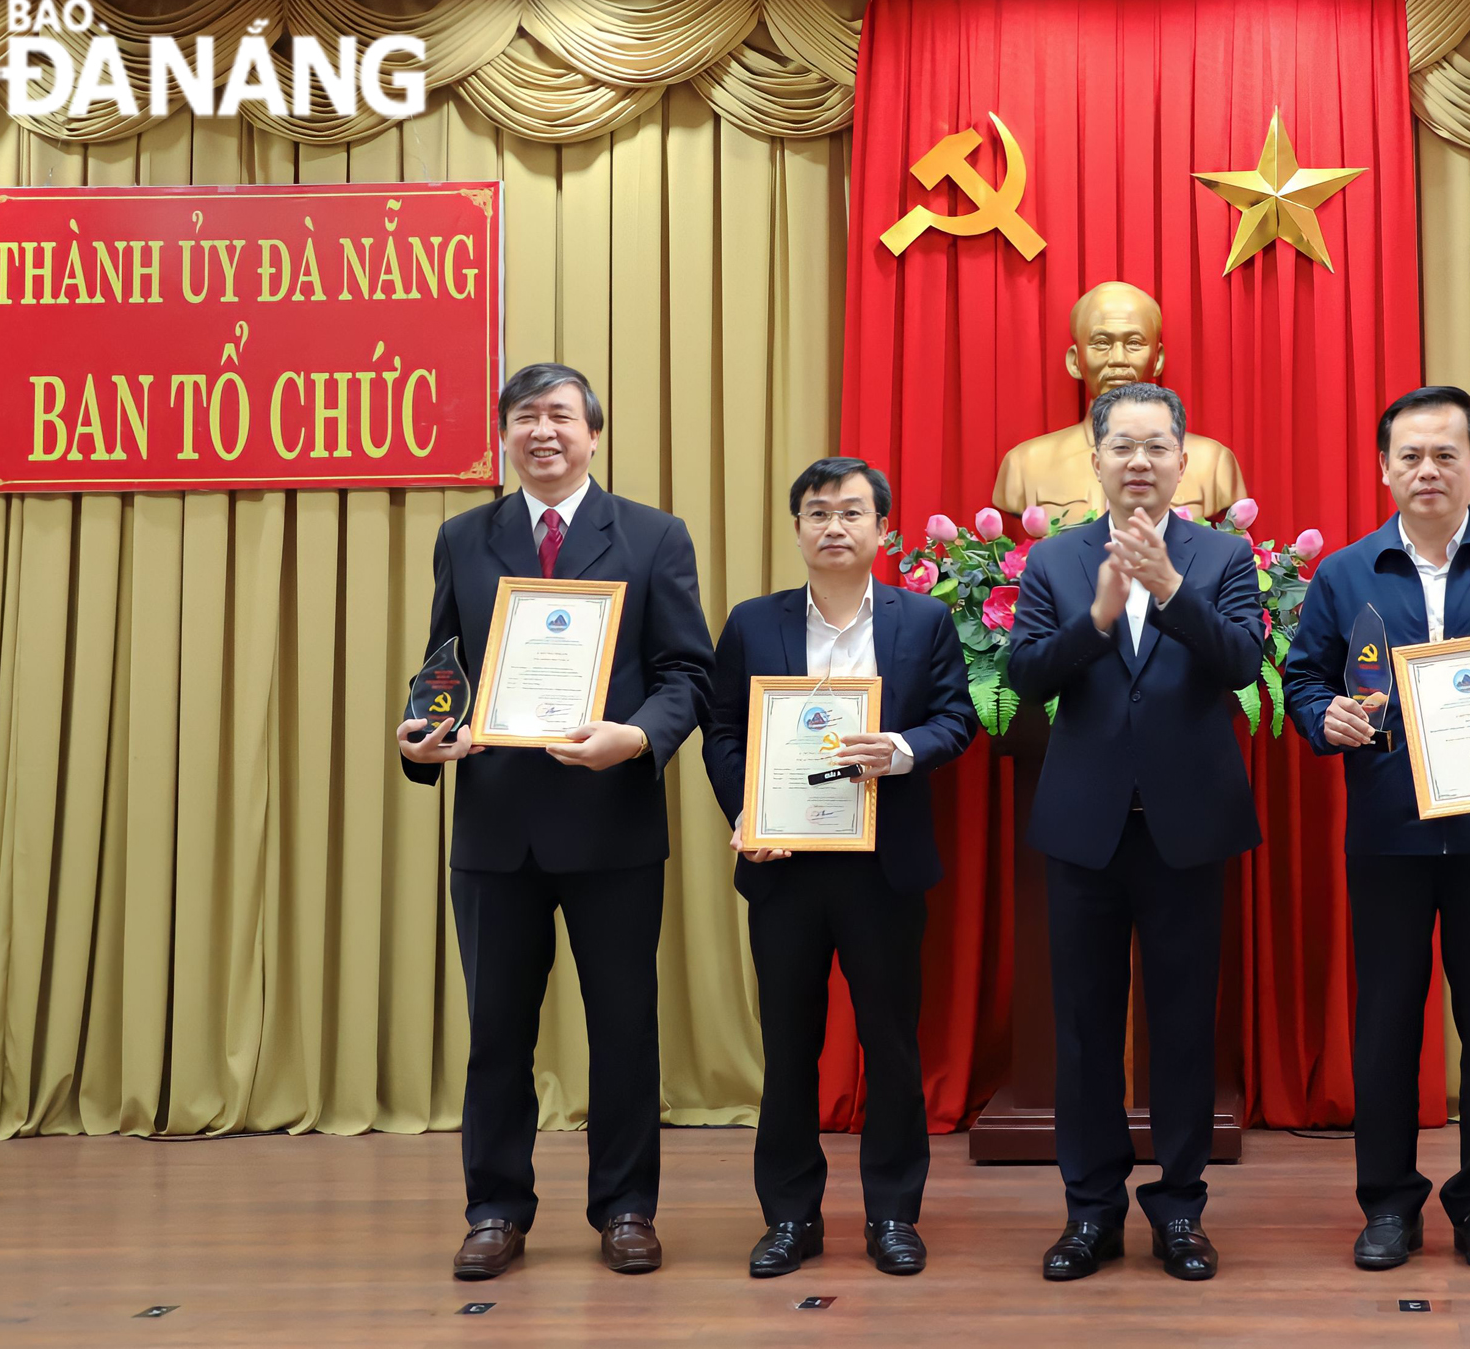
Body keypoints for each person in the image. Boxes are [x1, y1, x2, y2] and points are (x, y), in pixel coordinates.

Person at [396, 363, 713, 1281]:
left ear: (593, 434)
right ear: (504, 434)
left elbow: (686, 677)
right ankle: (495, 1209)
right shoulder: (464, 536)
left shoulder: (652, 537)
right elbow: (441, 667)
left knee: (624, 1029)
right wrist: (423, 735)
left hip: (612, 825)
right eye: (525, 416)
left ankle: (625, 1209)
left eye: (561, 416)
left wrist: (635, 739)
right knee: (497, 1032)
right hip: (496, 830)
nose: (543, 431)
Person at [1282, 386, 1470, 1274]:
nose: (1428, 470)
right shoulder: (1345, 573)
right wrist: (1322, 718)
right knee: (1384, 1026)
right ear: (1385, 468)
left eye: (1446, 455)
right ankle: (1387, 1205)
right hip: (1387, 836)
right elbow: (1305, 681)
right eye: (1410, 456)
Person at [1006, 381, 1264, 1283]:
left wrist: (1171, 591)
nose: (1141, 463)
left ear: (1182, 461)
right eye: (1124, 447)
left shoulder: (1224, 557)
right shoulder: (1056, 561)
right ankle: (1091, 1212)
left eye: (1158, 447)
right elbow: (1027, 677)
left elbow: (1243, 661)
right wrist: (1102, 618)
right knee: (1082, 1029)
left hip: (1188, 829)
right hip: (1087, 831)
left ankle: (1181, 1212)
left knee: (1185, 1028)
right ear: (1098, 457)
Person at [700, 457, 979, 1280]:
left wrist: (899, 749)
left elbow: (958, 718)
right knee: (788, 1048)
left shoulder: (921, 621)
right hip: (784, 863)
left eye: (852, 512)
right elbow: (721, 732)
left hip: (883, 867)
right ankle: (790, 1217)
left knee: (891, 1044)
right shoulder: (754, 623)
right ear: (796, 529)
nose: (834, 526)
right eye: (817, 512)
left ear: (883, 530)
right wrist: (746, 812)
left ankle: (893, 1214)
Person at [990, 280, 1248, 523]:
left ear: (1157, 359)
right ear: (1075, 361)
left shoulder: (1214, 464)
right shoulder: (1024, 465)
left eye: (1134, 343)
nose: (1118, 359)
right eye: (1101, 343)